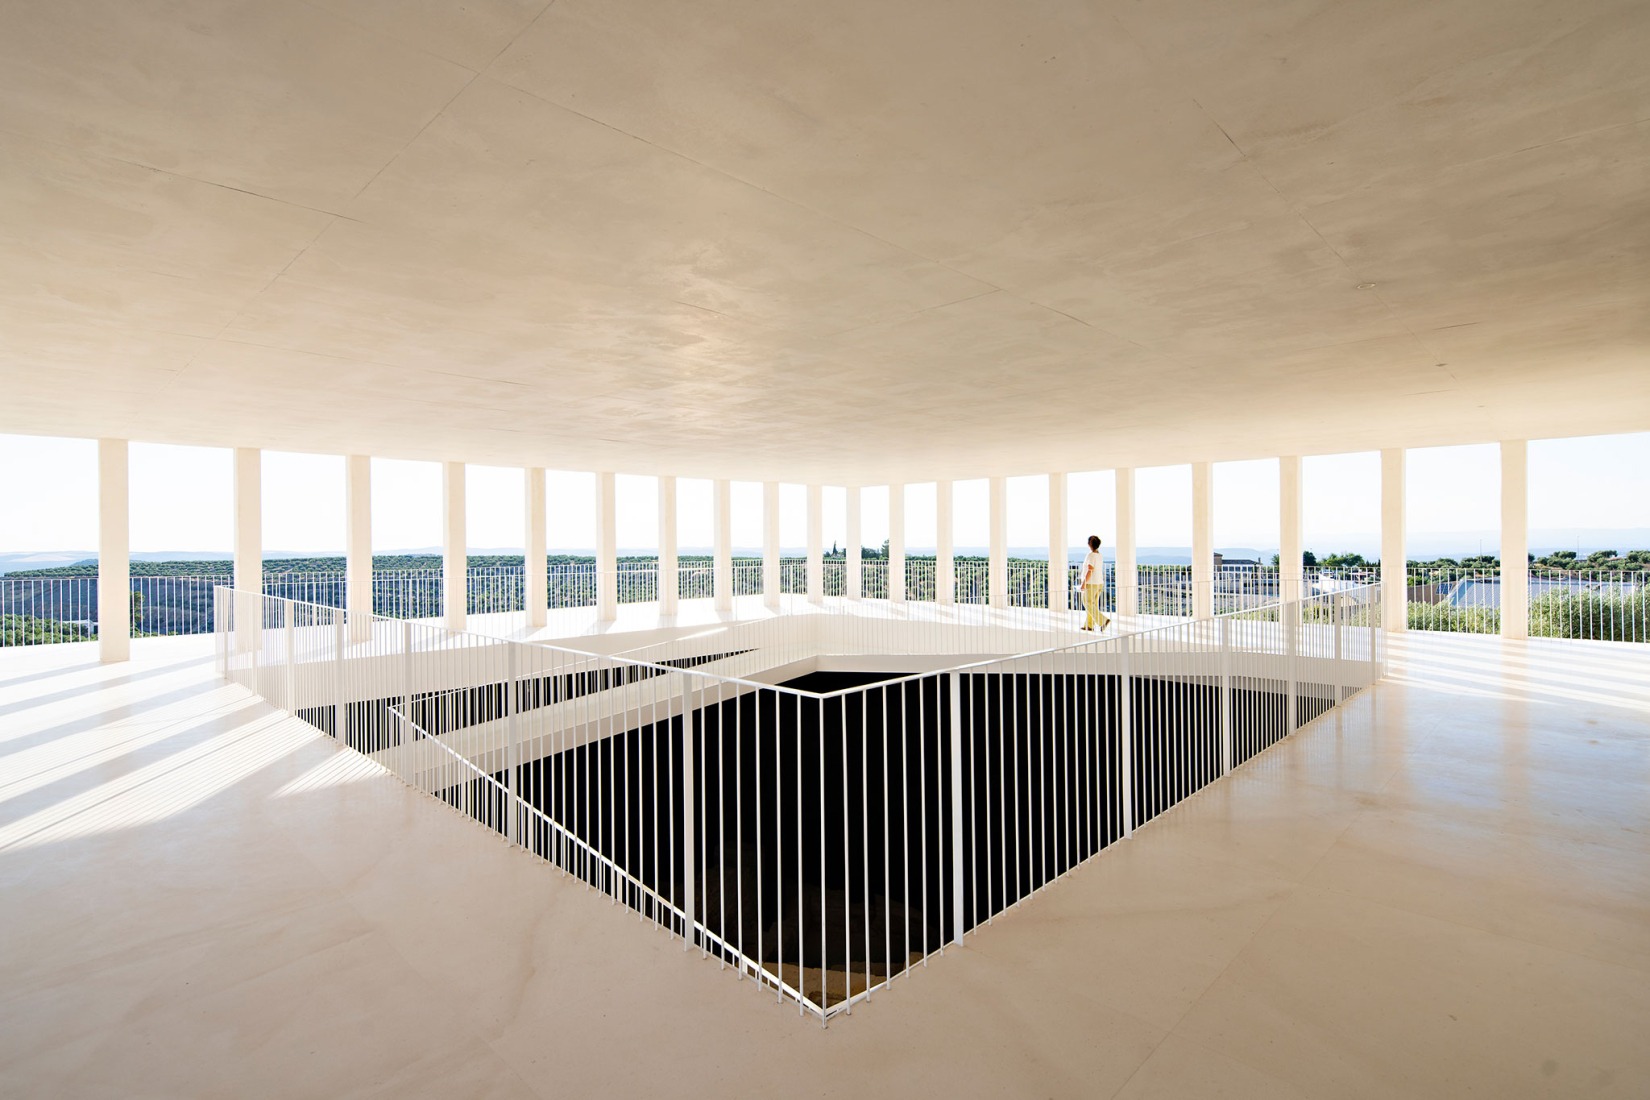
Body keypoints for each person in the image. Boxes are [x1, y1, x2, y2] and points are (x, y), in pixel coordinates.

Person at [1078, 535, 1109, 631]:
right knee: (1092, 605)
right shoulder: (1099, 555)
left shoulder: (1091, 555)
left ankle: (1103, 621)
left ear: (1089, 544)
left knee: (1087, 602)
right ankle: (1089, 625)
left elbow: (1090, 570)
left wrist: (1084, 583)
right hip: (1099, 582)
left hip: (1091, 583)